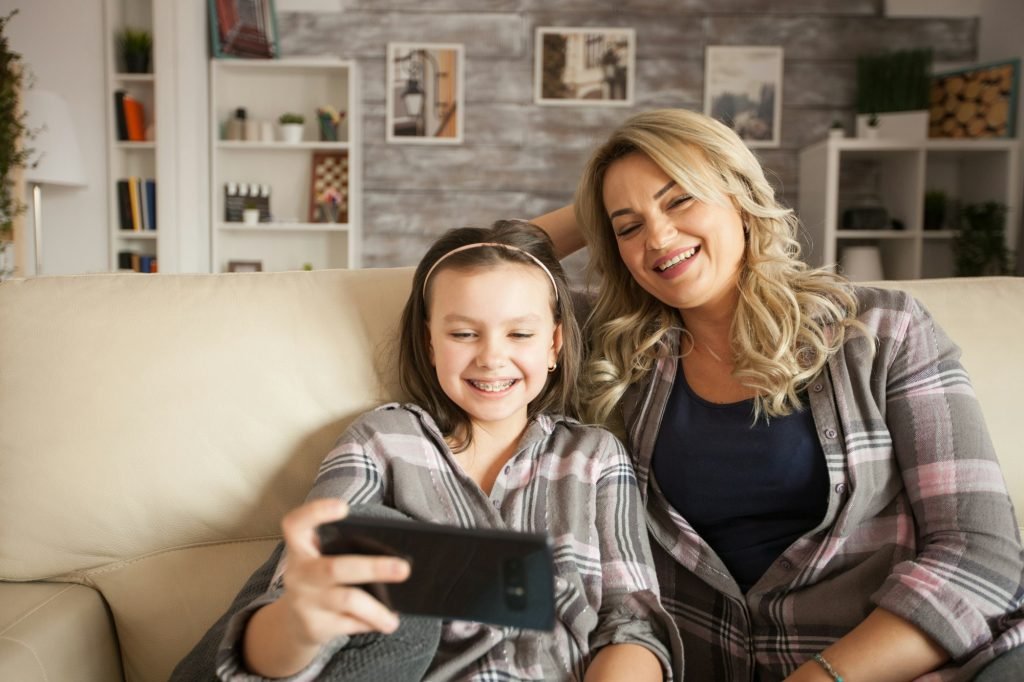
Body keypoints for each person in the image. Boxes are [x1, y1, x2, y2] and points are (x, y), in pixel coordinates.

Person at [532, 109, 1024, 681]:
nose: (659, 238)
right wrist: (600, 206)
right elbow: (481, 267)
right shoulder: (612, 349)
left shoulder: (883, 331)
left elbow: (980, 553)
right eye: (628, 227)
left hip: (912, 664)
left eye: (681, 199)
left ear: (740, 198)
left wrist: (820, 678)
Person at [172, 220, 681, 681]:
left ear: (554, 345)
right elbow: (289, 609)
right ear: (430, 342)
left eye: (520, 334)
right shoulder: (383, 441)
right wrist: (299, 624)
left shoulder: (594, 456)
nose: (491, 357)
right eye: (463, 333)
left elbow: (632, 623)